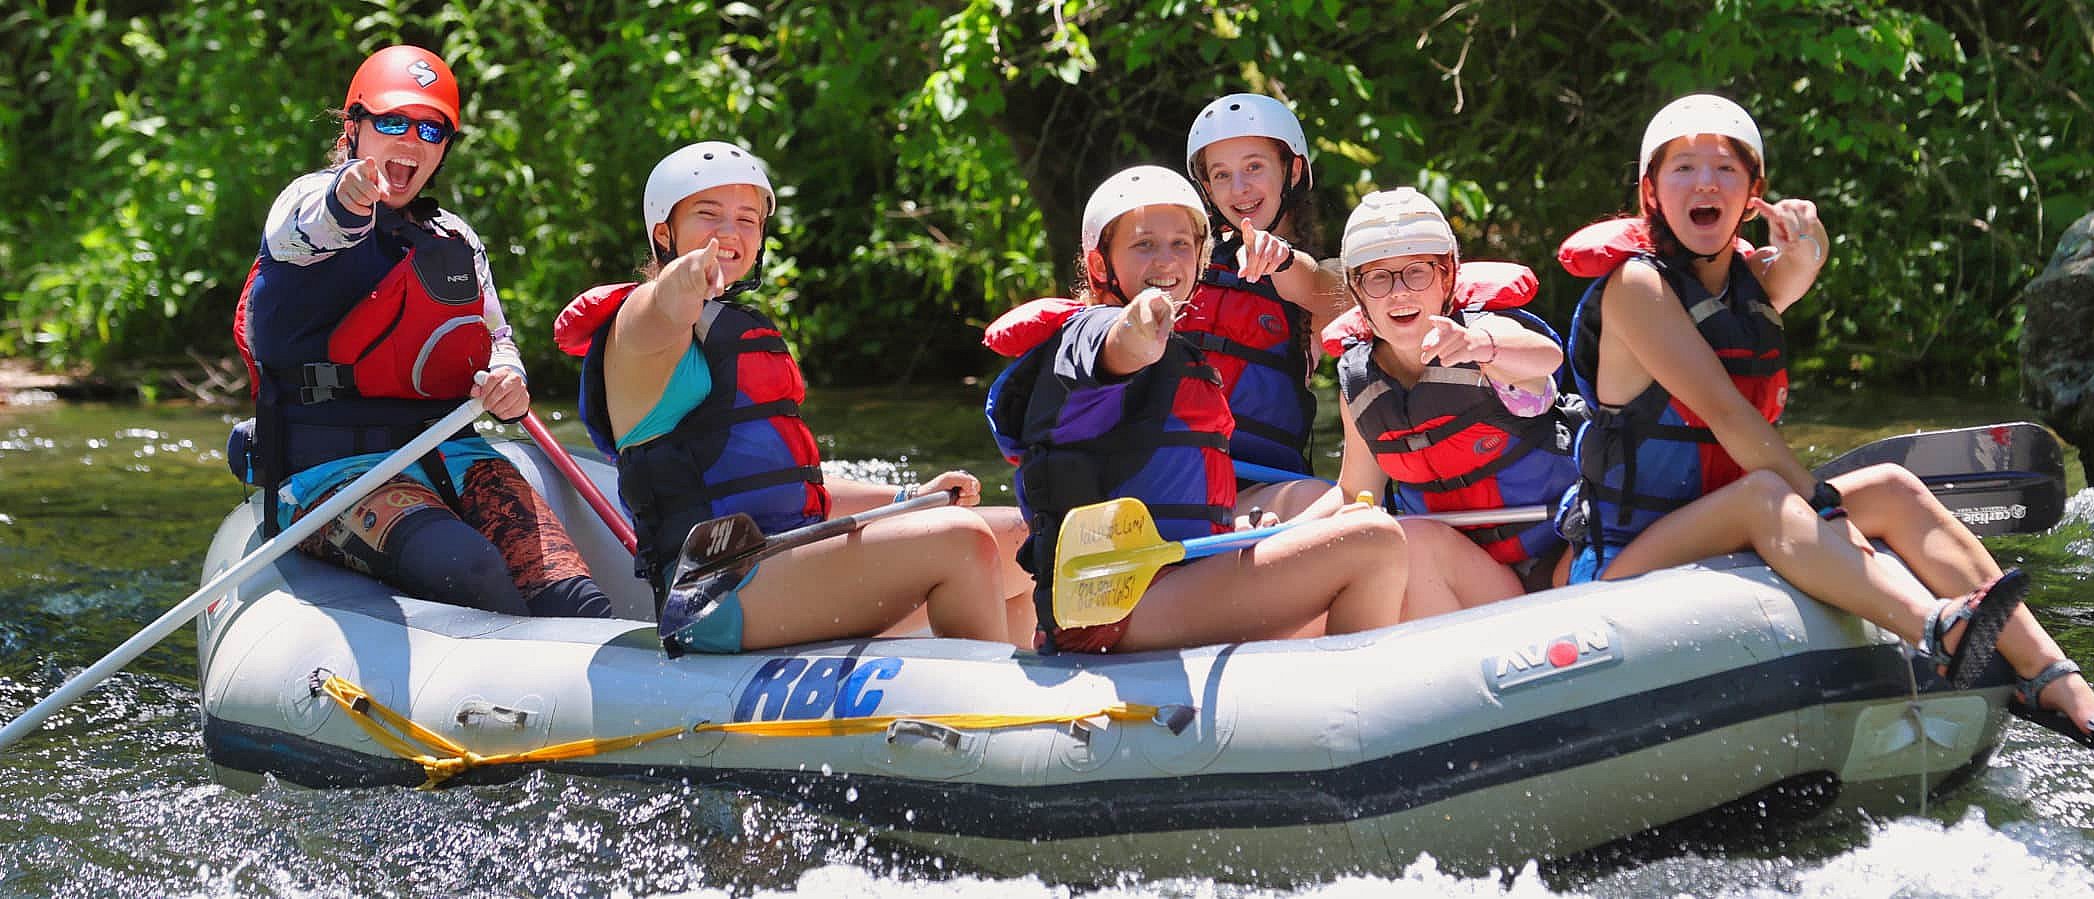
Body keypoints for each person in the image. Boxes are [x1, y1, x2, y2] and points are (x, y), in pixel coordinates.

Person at [1561, 93, 2094, 736]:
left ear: (1752, 191)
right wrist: (1817, 501)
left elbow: (1793, 272)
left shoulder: (1744, 282)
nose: (1705, 182)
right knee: (1767, 492)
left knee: (1894, 489)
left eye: (1725, 169)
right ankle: (1935, 629)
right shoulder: (1636, 288)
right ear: (1651, 191)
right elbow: (1731, 418)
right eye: (1683, 168)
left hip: (1727, 521)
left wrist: (1807, 242)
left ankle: (2056, 678)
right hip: (1631, 553)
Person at [553, 140, 1027, 653]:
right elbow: (667, 300)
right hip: (714, 591)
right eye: (708, 215)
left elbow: (790, 487)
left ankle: (1040, 696)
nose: (730, 233)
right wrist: (689, 274)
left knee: (1025, 540)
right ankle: (990, 715)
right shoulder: (641, 328)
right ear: (664, 234)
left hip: (786, 560)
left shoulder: (731, 329)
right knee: (960, 542)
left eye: (747, 220)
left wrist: (905, 501)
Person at [985, 165, 1441, 654]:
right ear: (1100, 267)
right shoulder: (1089, 333)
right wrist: (1141, 322)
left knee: (1346, 526)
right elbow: (1122, 345)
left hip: (1169, 582)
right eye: (1144, 245)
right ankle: (1357, 704)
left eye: (1182, 244)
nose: (1167, 259)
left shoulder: (1177, 352)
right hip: (1113, 611)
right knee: (1371, 541)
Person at [228, 45, 609, 619]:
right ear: (353, 129)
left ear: (444, 150)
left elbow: (495, 335)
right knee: (470, 566)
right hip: (331, 471)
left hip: (449, 450)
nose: (411, 139)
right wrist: (350, 195)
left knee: (569, 590)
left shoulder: (453, 235)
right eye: (391, 122)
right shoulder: (306, 200)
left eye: (431, 129)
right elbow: (324, 220)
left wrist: (508, 376)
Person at [1303, 188, 1582, 601]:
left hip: (1563, 551)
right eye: (1378, 277)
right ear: (1356, 291)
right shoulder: (1361, 385)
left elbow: (1546, 357)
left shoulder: (1487, 335)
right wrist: (1282, 536)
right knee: (1404, 539)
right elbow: (1355, 493)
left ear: (1448, 275)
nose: (1399, 291)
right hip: (1466, 574)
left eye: (1417, 271)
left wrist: (1477, 346)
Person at [1182, 93, 1344, 519]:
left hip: (1262, 488)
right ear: (1208, 189)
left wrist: (1281, 259)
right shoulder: (1183, 266)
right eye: (1221, 175)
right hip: (1174, 482)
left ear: (1291, 170)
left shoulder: (1331, 276)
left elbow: (1319, 289)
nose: (1239, 189)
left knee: (1336, 504)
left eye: (1254, 166)